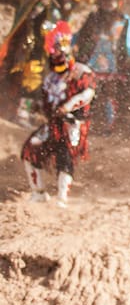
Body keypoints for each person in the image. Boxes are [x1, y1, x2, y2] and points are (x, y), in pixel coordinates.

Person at [1, 0, 91, 125]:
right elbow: (36, 22)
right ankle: (22, 113)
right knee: (32, 81)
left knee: (46, 85)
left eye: (75, 2)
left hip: (51, 55)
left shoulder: (64, 13)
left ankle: (34, 114)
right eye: (72, 0)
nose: (72, 4)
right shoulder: (49, 8)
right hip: (35, 50)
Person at [22, 22, 94, 207]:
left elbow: (88, 94)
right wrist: (37, 107)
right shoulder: (50, 78)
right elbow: (46, 102)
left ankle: (62, 197)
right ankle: (38, 193)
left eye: (59, 56)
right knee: (31, 149)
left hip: (73, 124)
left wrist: (68, 106)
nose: (57, 60)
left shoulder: (81, 72)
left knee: (66, 156)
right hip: (53, 124)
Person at [72, 0, 130, 134]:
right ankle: (83, 125)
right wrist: (78, 51)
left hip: (113, 61)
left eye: (113, 1)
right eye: (106, 0)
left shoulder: (124, 21)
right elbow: (82, 37)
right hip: (93, 59)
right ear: (101, 2)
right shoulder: (93, 18)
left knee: (110, 93)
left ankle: (110, 126)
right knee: (88, 91)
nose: (109, 4)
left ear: (118, 2)